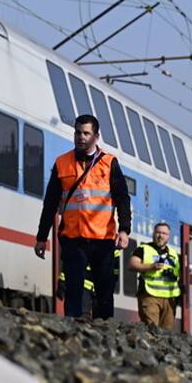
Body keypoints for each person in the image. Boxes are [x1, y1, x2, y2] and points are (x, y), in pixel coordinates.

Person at [34, 114, 131, 319]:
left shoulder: (109, 163)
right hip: (73, 238)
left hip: (102, 239)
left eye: (86, 133)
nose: (81, 137)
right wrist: (42, 237)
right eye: (78, 132)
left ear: (96, 136)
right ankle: (73, 330)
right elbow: (50, 203)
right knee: (73, 289)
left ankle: (106, 332)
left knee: (104, 292)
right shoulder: (62, 163)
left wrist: (124, 229)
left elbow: (122, 198)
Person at [129, 222, 180, 329]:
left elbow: (178, 273)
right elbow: (132, 264)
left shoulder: (173, 254)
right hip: (150, 295)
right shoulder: (143, 249)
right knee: (152, 329)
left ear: (168, 236)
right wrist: (150, 267)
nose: (160, 235)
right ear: (153, 234)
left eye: (164, 233)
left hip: (169, 299)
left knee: (167, 332)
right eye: (158, 232)